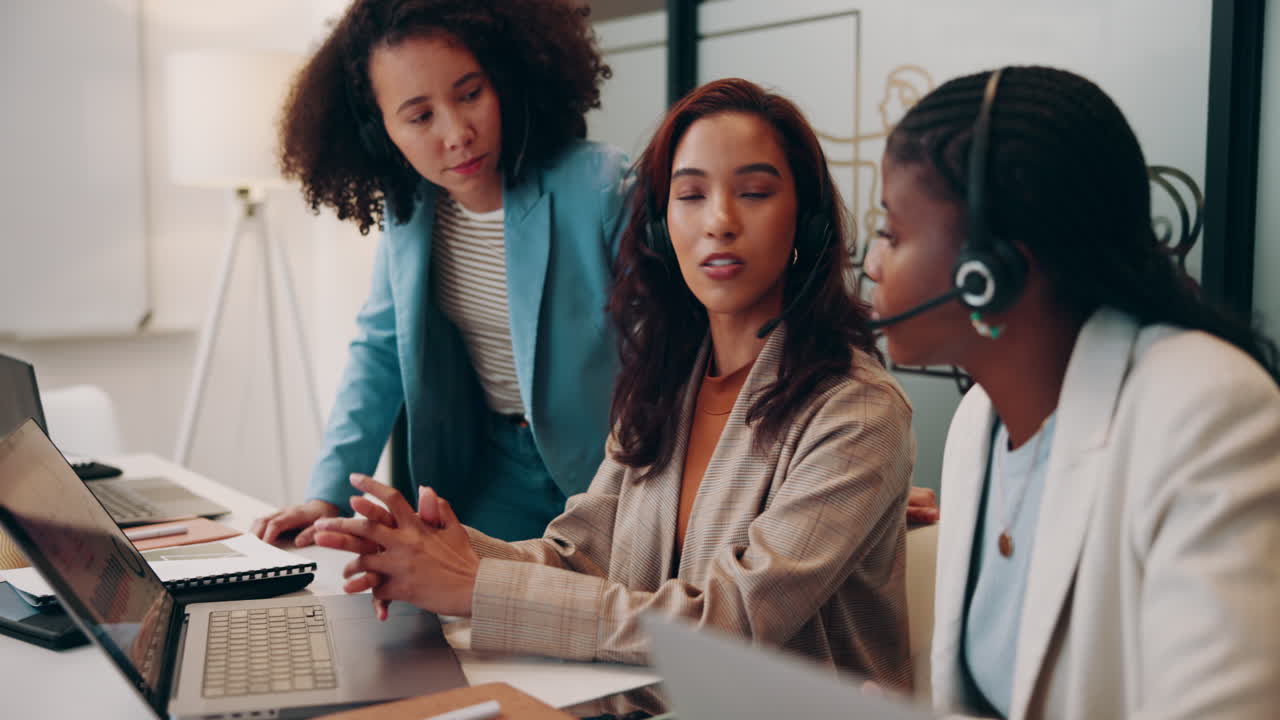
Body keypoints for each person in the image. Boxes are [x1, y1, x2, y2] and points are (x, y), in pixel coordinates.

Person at [314, 78, 917, 687]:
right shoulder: (666, 384)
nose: (721, 221)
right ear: (660, 228)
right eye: (690, 195)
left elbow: (729, 622)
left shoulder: (857, 412)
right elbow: (581, 559)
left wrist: (476, 585)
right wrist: (443, 551)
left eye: (755, 192)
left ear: (806, 224)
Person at [864, 65, 1280, 719]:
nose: (872, 262)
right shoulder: (979, 424)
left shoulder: (1207, 410)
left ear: (989, 271)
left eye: (892, 232)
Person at [250, 0, 629, 543]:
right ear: (380, 131)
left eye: (471, 94)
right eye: (420, 116)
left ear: (505, 78)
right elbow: (380, 350)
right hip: (498, 469)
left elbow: (668, 366)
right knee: (438, 619)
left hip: (614, 475)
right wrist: (325, 494)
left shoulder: (601, 186)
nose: (457, 134)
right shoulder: (409, 211)